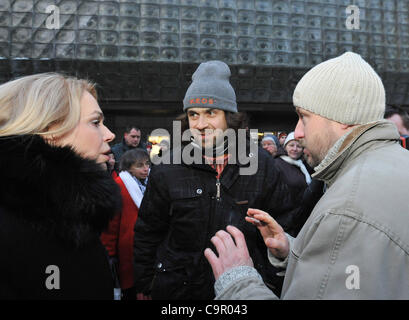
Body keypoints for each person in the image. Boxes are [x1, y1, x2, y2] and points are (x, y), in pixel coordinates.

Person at [204, 52, 409, 299]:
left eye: (304, 117)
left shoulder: (347, 211)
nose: (297, 132)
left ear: (342, 117)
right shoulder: (393, 165)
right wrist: (294, 251)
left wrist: (237, 281)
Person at [133, 60, 297, 300]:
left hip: (242, 291)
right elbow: (148, 231)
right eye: (193, 114)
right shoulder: (167, 166)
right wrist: (145, 284)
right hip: (178, 293)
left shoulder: (261, 164)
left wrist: (272, 279)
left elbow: (284, 226)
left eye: (211, 113)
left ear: (229, 117)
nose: (200, 124)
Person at [0, 73, 121, 299]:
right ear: (50, 130)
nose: (110, 134)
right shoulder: (10, 230)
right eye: (95, 122)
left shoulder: (74, 216)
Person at [101, 149, 150, 300]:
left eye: (147, 164)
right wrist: (109, 254)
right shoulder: (119, 185)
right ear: (128, 167)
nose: (145, 168)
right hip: (127, 253)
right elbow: (111, 224)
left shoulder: (150, 183)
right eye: (139, 165)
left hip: (145, 252)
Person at [273, 132, 313, 237]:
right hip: (285, 220)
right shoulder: (277, 164)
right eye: (291, 145)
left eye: (299, 146)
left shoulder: (305, 165)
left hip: (301, 219)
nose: (295, 149)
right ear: (285, 147)